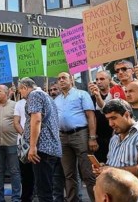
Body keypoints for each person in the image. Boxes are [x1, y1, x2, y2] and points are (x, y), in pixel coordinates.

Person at [93, 99, 138, 202]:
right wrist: (103, 168)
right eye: (108, 119)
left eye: (113, 118)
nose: (110, 124)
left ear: (126, 114)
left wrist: (112, 170)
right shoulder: (114, 139)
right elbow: (112, 164)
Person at [54, 72, 97, 202]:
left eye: (64, 78)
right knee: (69, 174)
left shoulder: (82, 94)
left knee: (88, 173)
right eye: (59, 78)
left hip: (80, 134)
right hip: (63, 137)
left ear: (71, 80)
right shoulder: (56, 100)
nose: (61, 80)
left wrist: (92, 137)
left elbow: (91, 116)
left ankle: (96, 199)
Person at [18, 77, 61, 202]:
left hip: (42, 150)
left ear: (25, 88)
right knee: (47, 190)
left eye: (20, 90)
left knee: (44, 193)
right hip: (51, 148)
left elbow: (36, 120)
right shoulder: (46, 96)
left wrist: (32, 147)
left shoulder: (34, 95)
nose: (20, 94)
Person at [0, 85, 20, 202]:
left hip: (12, 143)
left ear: (7, 93)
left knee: (14, 171)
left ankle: (16, 198)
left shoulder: (15, 105)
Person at [88, 70, 113, 163]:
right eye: (97, 79)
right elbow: (91, 117)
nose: (98, 82)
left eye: (102, 79)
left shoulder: (116, 94)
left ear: (109, 80)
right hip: (99, 138)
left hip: (114, 135)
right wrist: (92, 138)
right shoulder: (91, 98)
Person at [13, 97, 34, 202]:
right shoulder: (19, 103)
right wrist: (25, 137)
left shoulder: (41, 100)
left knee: (39, 172)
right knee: (25, 173)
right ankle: (26, 198)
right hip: (23, 144)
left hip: (39, 142)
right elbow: (16, 122)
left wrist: (34, 137)